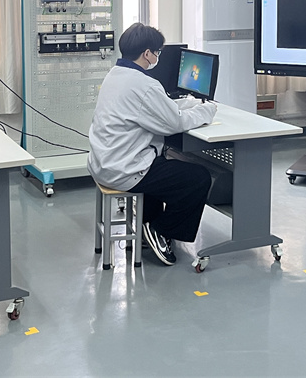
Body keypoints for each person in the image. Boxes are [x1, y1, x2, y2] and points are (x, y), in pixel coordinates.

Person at [88, 23, 217, 265]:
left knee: (161, 163)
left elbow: (158, 108)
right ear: (147, 53)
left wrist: (187, 104)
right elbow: (174, 123)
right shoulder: (144, 84)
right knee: (198, 178)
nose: (157, 57)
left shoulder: (116, 74)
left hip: (102, 163)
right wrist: (207, 111)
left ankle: (147, 223)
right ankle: (161, 230)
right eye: (157, 52)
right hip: (125, 169)